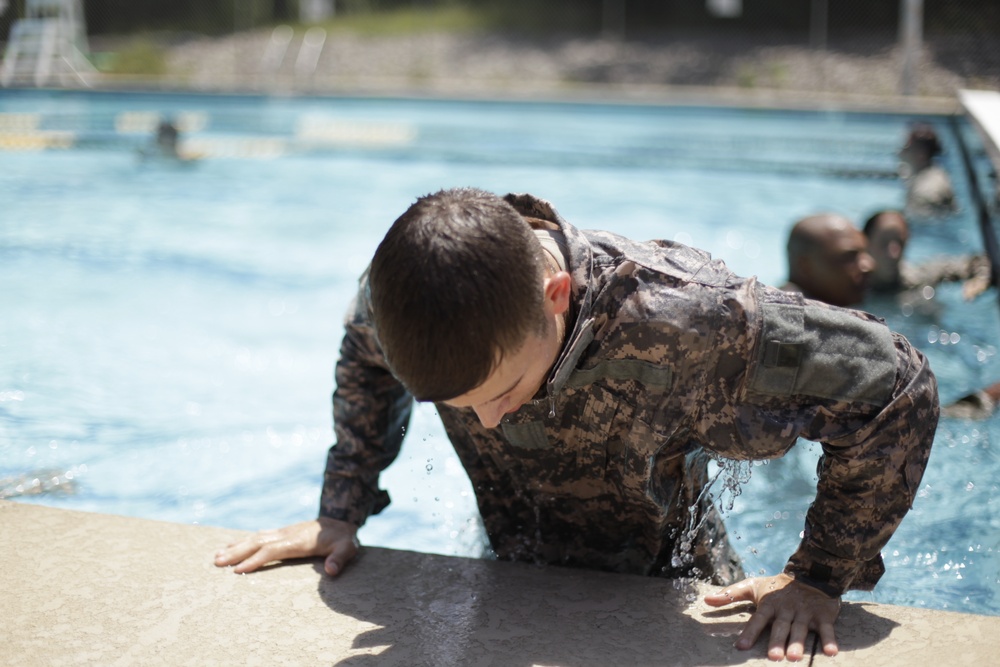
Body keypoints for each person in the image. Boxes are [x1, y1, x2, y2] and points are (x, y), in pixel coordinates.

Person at [215, 188, 938, 661]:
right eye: (459, 406)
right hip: (519, 583)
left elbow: (896, 386)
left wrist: (818, 575)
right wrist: (342, 505)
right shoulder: (409, 297)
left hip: (679, 593)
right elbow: (364, 349)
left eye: (502, 391)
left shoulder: (688, 321)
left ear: (555, 296)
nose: (488, 422)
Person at [862, 209, 993, 301]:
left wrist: (980, 280)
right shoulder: (852, 289)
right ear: (865, 244)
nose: (893, 253)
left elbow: (981, 261)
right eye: (884, 243)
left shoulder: (920, 279)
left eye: (900, 243)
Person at [781, 213, 875, 307]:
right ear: (805, 266)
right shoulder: (786, 315)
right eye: (849, 257)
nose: (869, 266)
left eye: (867, 253)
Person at [899, 123, 956, 217]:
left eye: (907, 148)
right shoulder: (928, 175)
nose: (900, 153)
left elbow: (923, 222)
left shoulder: (928, 189)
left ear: (921, 155)